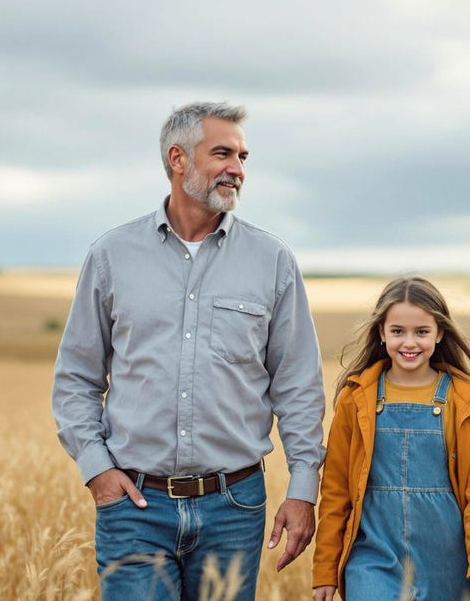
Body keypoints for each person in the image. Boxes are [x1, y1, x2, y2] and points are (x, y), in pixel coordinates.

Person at [51, 102, 326, 601]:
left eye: (243, 157)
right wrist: (98, 471)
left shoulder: (273, 260)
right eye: (222, 153)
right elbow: (76, 377)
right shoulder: (112, 255)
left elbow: (298, 385)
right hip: (135, 507)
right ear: (177, 159)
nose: (238, 169)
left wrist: (304, 488)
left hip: (234, 507)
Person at [312, 277, 470, 601]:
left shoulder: (465, 402)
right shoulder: (356, 400)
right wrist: (325, 572)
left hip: (447, 560)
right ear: (381, 333)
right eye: (398, 331)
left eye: (422, 332)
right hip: (372, 557)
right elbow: (335, 493)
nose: (409, 343)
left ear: (440, 333)